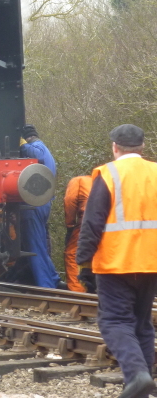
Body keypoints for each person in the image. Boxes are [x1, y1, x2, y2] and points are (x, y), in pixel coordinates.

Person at [77, 124, 157, 398]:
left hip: (116, 263)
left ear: (114, 147)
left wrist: (84, 263)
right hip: (151, 264)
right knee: (141, 325)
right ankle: (142, 388)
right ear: (142, 146)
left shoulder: (108, 174)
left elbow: (92, 223)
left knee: (115, 322)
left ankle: (136, 376)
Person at [19, 124, 64, 289]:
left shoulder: (38, 148)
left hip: (34, 205)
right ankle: (53, 278)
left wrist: (21, 144)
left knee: (35, 247)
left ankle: (46, 286)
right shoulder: (44, 149)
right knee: (41, 246)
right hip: (42, 203)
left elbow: (36, 153)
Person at [63, 175, 93, 292]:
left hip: (87, 220)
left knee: (72, 254)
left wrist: (70, 224)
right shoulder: (108, 181)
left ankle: (77, 292)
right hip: (111, 223)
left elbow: (70, 200)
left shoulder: (78, 181)